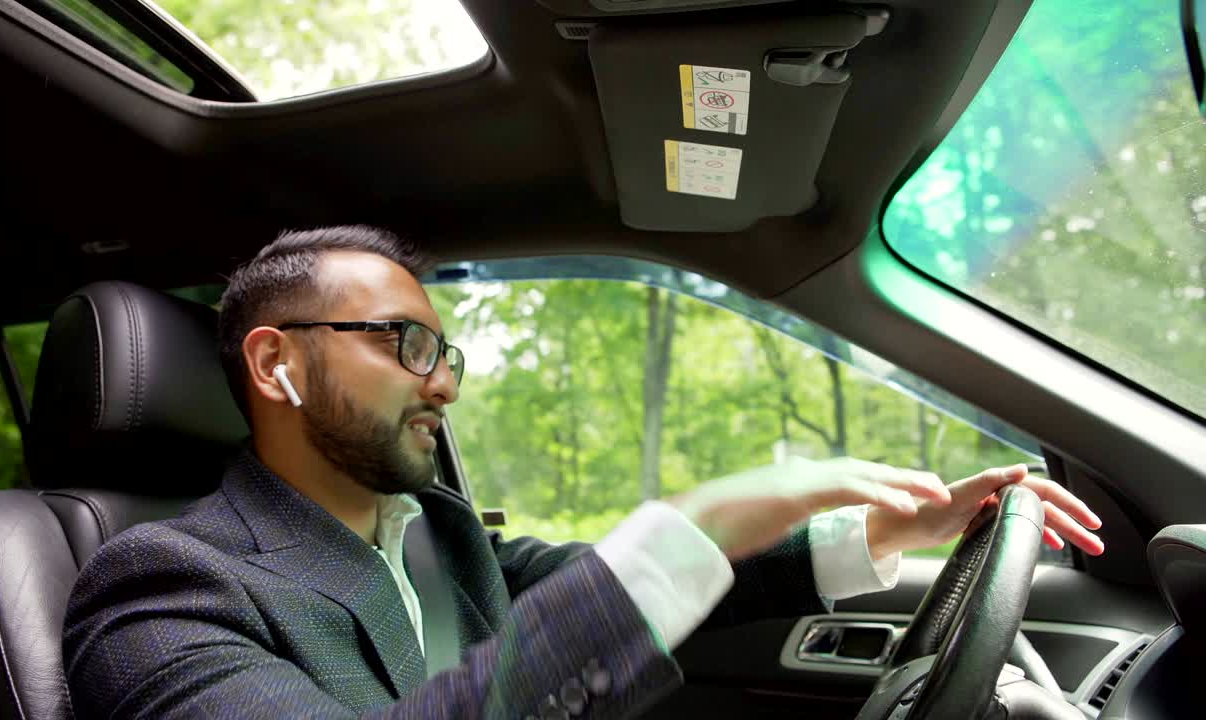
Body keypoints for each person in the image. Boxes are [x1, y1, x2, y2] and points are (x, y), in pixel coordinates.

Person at [62, 225, 1105, 719]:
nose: (443, 385)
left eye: (446, 353)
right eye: (406, 345)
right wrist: (695, 515)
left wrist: (886, 529)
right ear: (276, 365)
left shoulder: (437, 535)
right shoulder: (163, 588)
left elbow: (621, 587)